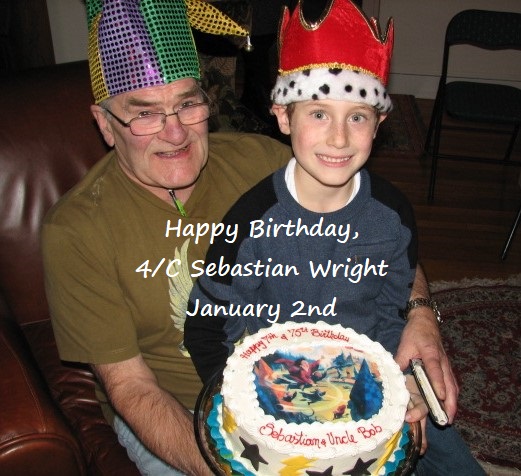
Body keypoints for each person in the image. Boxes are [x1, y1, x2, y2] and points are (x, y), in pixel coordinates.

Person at [42, 0, 459, 474]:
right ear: (104, 124)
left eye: (187, 104)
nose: (175, 132)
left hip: (322, 386)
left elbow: (377, 238)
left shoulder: (265, 160)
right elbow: (132, 388)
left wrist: (421, 317)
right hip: (180, 409)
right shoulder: (75, 232)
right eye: (145, 114)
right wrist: (239, 464)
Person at [184, 1, 485, 475]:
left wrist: (404, 383)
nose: (340, 139)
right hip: (284, 402)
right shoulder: (249, 223)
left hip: (371, 392)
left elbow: (390, 313)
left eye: (358, 117)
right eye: (319, 113)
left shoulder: (393, 217)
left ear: (380, 124)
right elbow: (205, 325)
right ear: (283, 117)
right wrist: (242, 408)